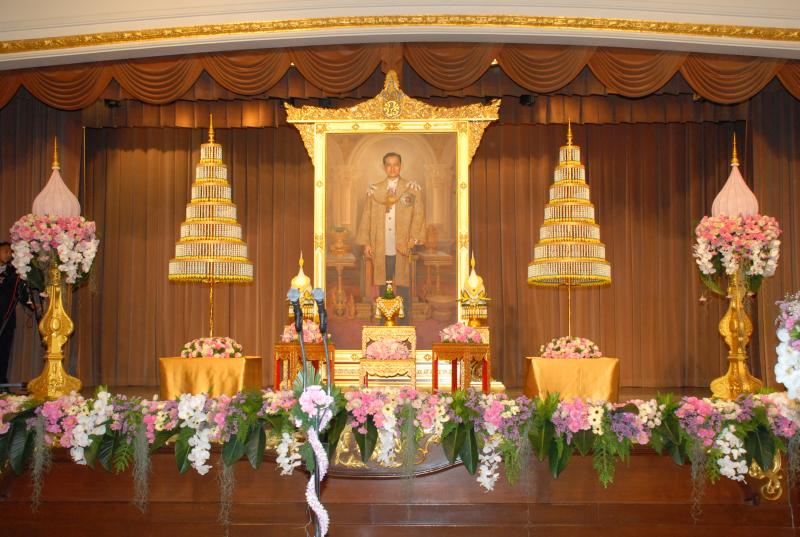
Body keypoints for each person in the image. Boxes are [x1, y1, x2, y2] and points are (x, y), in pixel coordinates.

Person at [355, 152, 425, 322]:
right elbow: (366, 216)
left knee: (403, 285)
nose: (392, 168)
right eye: (389, 165)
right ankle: (384, 320)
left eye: (396, 164)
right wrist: (366, 243)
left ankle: (404, 322)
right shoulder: (374, 190)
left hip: (402, 245)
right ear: (384, 167)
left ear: (401, 166)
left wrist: (413, 239)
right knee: (383, 284)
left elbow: (418, 215)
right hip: (381, 245)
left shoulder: (411, 188)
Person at [0, 242, 23, 385]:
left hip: (7, 318)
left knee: (4, 351)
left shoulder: (14, 272)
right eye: (5, 251)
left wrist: (34, 306)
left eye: (10, 252)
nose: (8, 254)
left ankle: (2, 382)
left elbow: (20, 293)